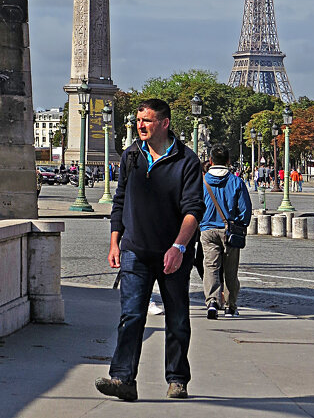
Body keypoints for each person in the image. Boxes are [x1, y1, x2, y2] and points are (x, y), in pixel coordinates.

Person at [94, 99, 203, 402]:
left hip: (173, 252)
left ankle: (177, 378)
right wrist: (115, 242)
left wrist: (179, 246)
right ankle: (123, 378)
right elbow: (119, 201)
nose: (140, 125)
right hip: (135, 249)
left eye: (147, 120)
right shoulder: (131, 156)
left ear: (165, 123)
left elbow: (194, 210)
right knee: (131, 315)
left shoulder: (187, 161)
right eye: (139, 119)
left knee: (178, 318)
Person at [200, 145, 252, 319]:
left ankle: (212, 301)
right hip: (229, 229)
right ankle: (230, 305)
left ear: (211, 161)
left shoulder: (202, 181)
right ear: (228, 161)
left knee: (211, 267)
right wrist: (241, 224)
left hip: (207, 229)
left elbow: (194, 205)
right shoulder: (236, 181)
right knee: (231, 270)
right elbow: (245, 209)